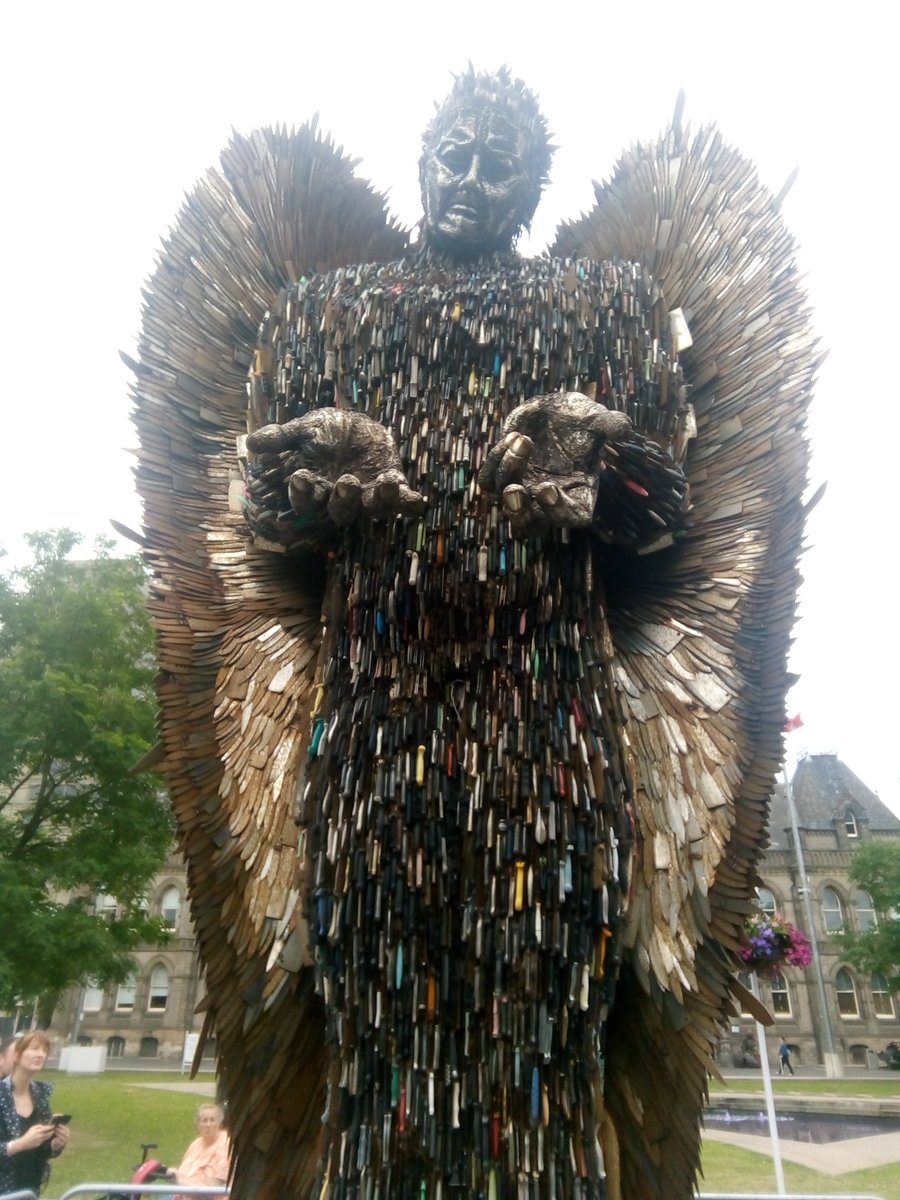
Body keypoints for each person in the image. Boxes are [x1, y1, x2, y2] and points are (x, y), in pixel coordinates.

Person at [132, 66, 815, 1200]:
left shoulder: (611, 306)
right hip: (372, 726)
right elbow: (268, 516)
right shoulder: (327, 311)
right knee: (378, 1024)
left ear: (536, 184)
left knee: (546, 1018)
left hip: (552, 723)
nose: (469, 176)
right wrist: (318, 495)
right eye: (453, 149)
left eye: (500, 160)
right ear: (423, 152)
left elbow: (667, 522)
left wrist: (605, 473)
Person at [0, 1030, 70, 1195]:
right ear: (16, 1056)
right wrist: (19, 1144)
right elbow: (22, 1144)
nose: (40, 1054)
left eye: (44, 1050)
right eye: (34, 1048)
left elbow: (42, 1149)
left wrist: (55, 1144)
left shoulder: (40, 1094)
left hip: (30, 1188)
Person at [167, 1103, 231, 1199]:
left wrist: (179, 1181)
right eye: (204, 1121)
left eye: (212, 1120)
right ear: (198, 1125)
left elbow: (212, 1190)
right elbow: (183, 1172)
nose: (208, 1125)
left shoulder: (225, 1144)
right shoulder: (196, 1144)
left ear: (219, 1123)